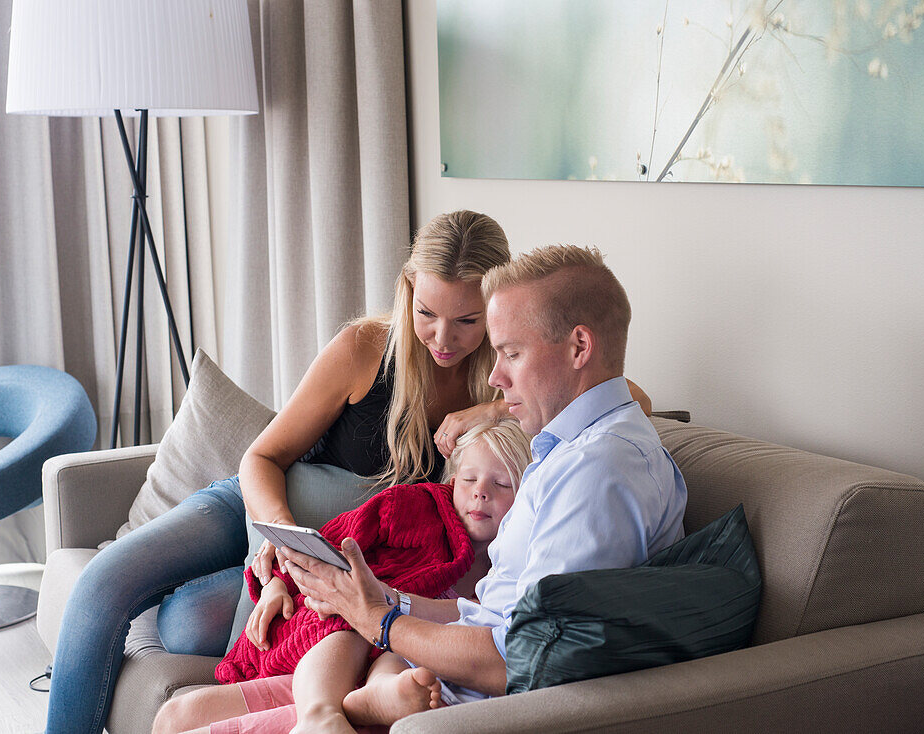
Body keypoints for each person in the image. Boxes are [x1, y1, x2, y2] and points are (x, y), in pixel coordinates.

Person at [44, 210, 517, 734]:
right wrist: (282, 536)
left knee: (188, 626)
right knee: (101, 584)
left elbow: (622, 398)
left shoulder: (504, 379)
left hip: (332, 551)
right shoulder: (364, 348)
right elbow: (260, 458)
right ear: (408, 289)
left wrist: (493, 411)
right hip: (258, 510)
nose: (442, 337)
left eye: (467, 320)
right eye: (427, 311)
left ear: (496, 306)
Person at [279, 244, 688, 728]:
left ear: (580, 347)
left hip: (459, 708)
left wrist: (380, 622)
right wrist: (387, 599)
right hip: (437, 680)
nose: (495, 377)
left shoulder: (600, 472)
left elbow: (517, 657)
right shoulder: (566, 450)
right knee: (186, 713)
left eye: (512, 353)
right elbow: (493, 613)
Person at [152, 419, 532, 734]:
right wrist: (278, 581)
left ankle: (377, 697)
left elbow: (482, 625)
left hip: (392, 658)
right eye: (469, 481)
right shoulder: (417, 507)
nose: (481, 493)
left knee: (384, 636)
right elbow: (334, 537)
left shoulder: (512, 567)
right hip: (333, 630)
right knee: (357, 610)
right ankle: (321, 713)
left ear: (529, 496)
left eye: (501, 485)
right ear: (452, 482)